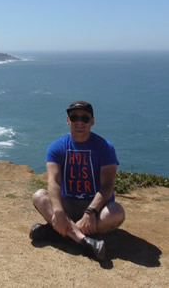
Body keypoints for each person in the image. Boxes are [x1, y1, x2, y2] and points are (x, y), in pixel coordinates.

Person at [30, 101, 125, 261]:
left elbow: (107, 186)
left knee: (116, 212)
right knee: (39, 196)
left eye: (84, 118)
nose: (79, 122)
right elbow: (53, 182)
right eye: (74, 117)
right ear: (68, 120)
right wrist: (59, 212)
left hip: (97, 208)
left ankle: (57, 232)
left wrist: (90, 212)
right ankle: (84, 241)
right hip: (68, 205)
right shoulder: (56, 147)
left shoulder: (105, 147)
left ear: (92, 121)